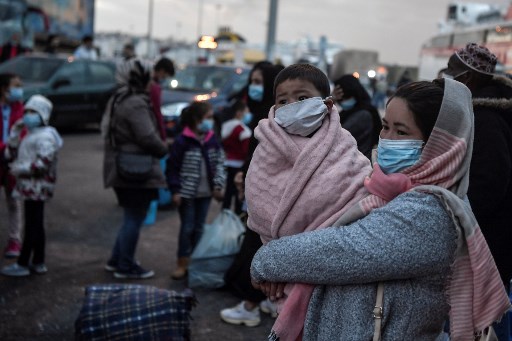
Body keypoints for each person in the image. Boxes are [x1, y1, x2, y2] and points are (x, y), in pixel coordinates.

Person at [250, 79, 511, 340]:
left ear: (439, 146)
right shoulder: (386, 189)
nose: (386, 139)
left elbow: (341, 250)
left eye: (401, 132)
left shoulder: (431, 211)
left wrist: (267, 261)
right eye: (385, 126)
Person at [243, 64, 371, 340]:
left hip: (331, 268)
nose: (292, 106)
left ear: (325, 103)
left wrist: (283, 262)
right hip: (279, 269)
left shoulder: (344, 147)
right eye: (283, 100)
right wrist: (273, 263)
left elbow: (360, 195)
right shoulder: (266, 146)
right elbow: (259, 203)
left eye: (302, 98)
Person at [443, 42, 512, 341]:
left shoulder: (484, 120)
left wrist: (457, 217)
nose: (445, 76)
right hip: (498, 235)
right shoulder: (491, 112)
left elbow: (488, 182)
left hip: (488, 239)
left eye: (451, 71)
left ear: (467, 79)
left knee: (486, 316)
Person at [220, 62, 283, 327]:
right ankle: (267, 300)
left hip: (264, 195)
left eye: (259, 81)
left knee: (254, 248)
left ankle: (249, 306)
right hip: (256, 189)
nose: (254, 87)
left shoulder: (272, 118)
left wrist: (247, 180)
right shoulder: (260, 112)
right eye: (252, 81)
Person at [102, 58, 168, 279]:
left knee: (131, 216)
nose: (152, 81)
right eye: (149, 76)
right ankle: (126, 265)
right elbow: (147, 136)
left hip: (123, 166)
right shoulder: (135, 103)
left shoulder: (120, 97)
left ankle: (116, 259)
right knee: (134, 217)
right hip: (134, 169)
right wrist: (163, 149)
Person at [0, 95, 63, 277]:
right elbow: (10, 154)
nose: (27, 115)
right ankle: (38, 261)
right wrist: (14, 133)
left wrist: (21, 170)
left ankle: (23, 262)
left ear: (42, 114)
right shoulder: (30, 134)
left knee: (32, 225)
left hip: (37, 187)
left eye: (32, 112)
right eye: (26, 111)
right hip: (30, 187)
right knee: (36, 224)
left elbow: (43, 163)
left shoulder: (46, 137)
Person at [166, 101, 226, 280]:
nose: (211, 121)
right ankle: (182, 263)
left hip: (206, 194)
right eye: (207, 118)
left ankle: (195, 262)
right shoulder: (182, 141)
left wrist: (218, 186)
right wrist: (175, 190)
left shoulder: (212, 140)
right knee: (187, 228)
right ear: (196, 119)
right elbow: (173, 168)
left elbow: (219, 164)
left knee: (199, 228)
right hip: (187, 195)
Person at [0, 73, 24, 258]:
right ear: (4, 88)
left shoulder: (20, 108)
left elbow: (23, 132)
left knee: (14, 201)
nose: (19, 89)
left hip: (13, 160)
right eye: (15, 85)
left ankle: (14, 240)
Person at [331, 74, 382, 159]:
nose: (343, 101)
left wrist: (330, 104)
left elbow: (334, 135)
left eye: (346, 97)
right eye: (341, 99)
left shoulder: (364, 114)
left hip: (356, 163)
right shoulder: (347, 112)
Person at [221, 99, 252, 214]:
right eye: (246, 112)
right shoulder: (242, 130)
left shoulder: (225, 126)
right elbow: (245, 150)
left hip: (228, 162)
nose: (248, 115)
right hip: (239, 165)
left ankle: (224, 216)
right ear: (239, 113)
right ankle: (237, 219)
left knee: (228, 193)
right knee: (239, 193)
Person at [150, 57, 175, 141]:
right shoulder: (154, 87)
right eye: (165, 76)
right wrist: (163, 136)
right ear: (162, 71)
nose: (164, 78)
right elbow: (157, 112)